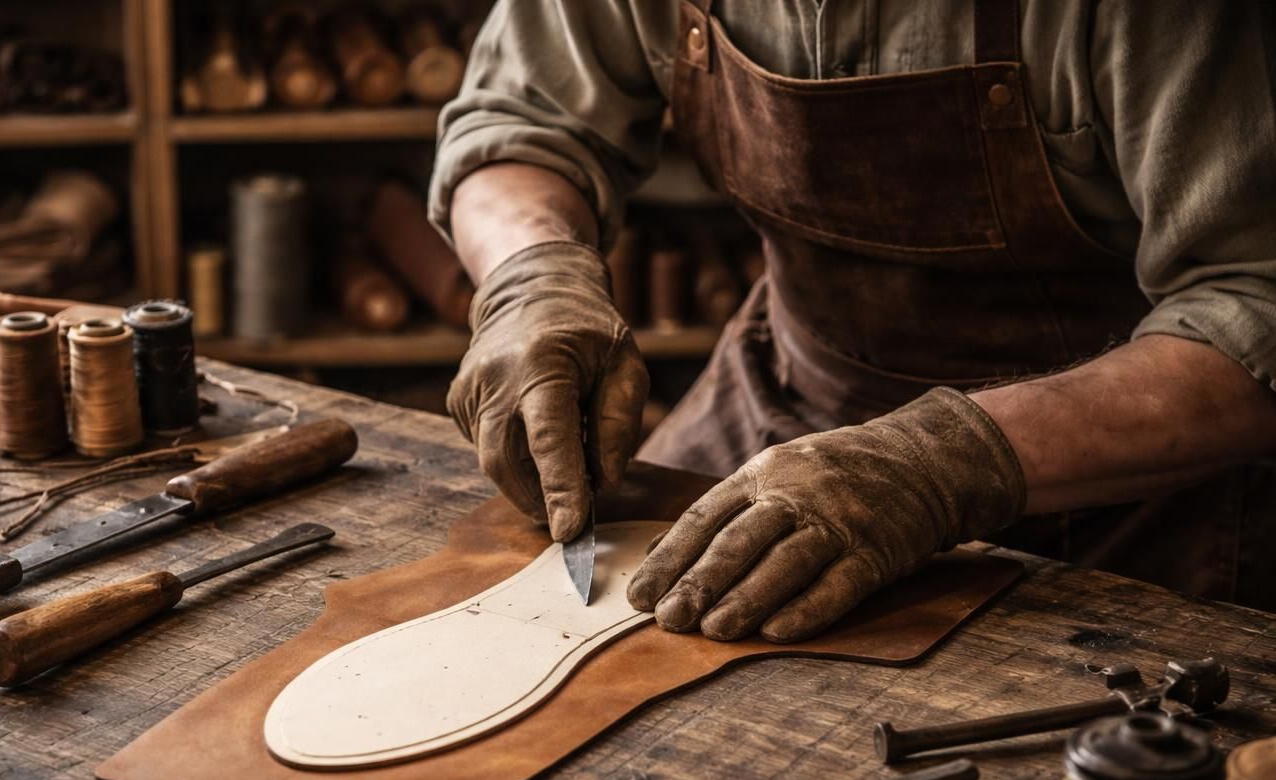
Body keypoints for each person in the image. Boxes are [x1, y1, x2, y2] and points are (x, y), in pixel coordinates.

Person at [428, 0, 1276, 642]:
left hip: (1128, 467)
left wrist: (938, 463)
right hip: (785, 394)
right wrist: (531, 277)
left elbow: (1254, 303)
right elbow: (522, 122)